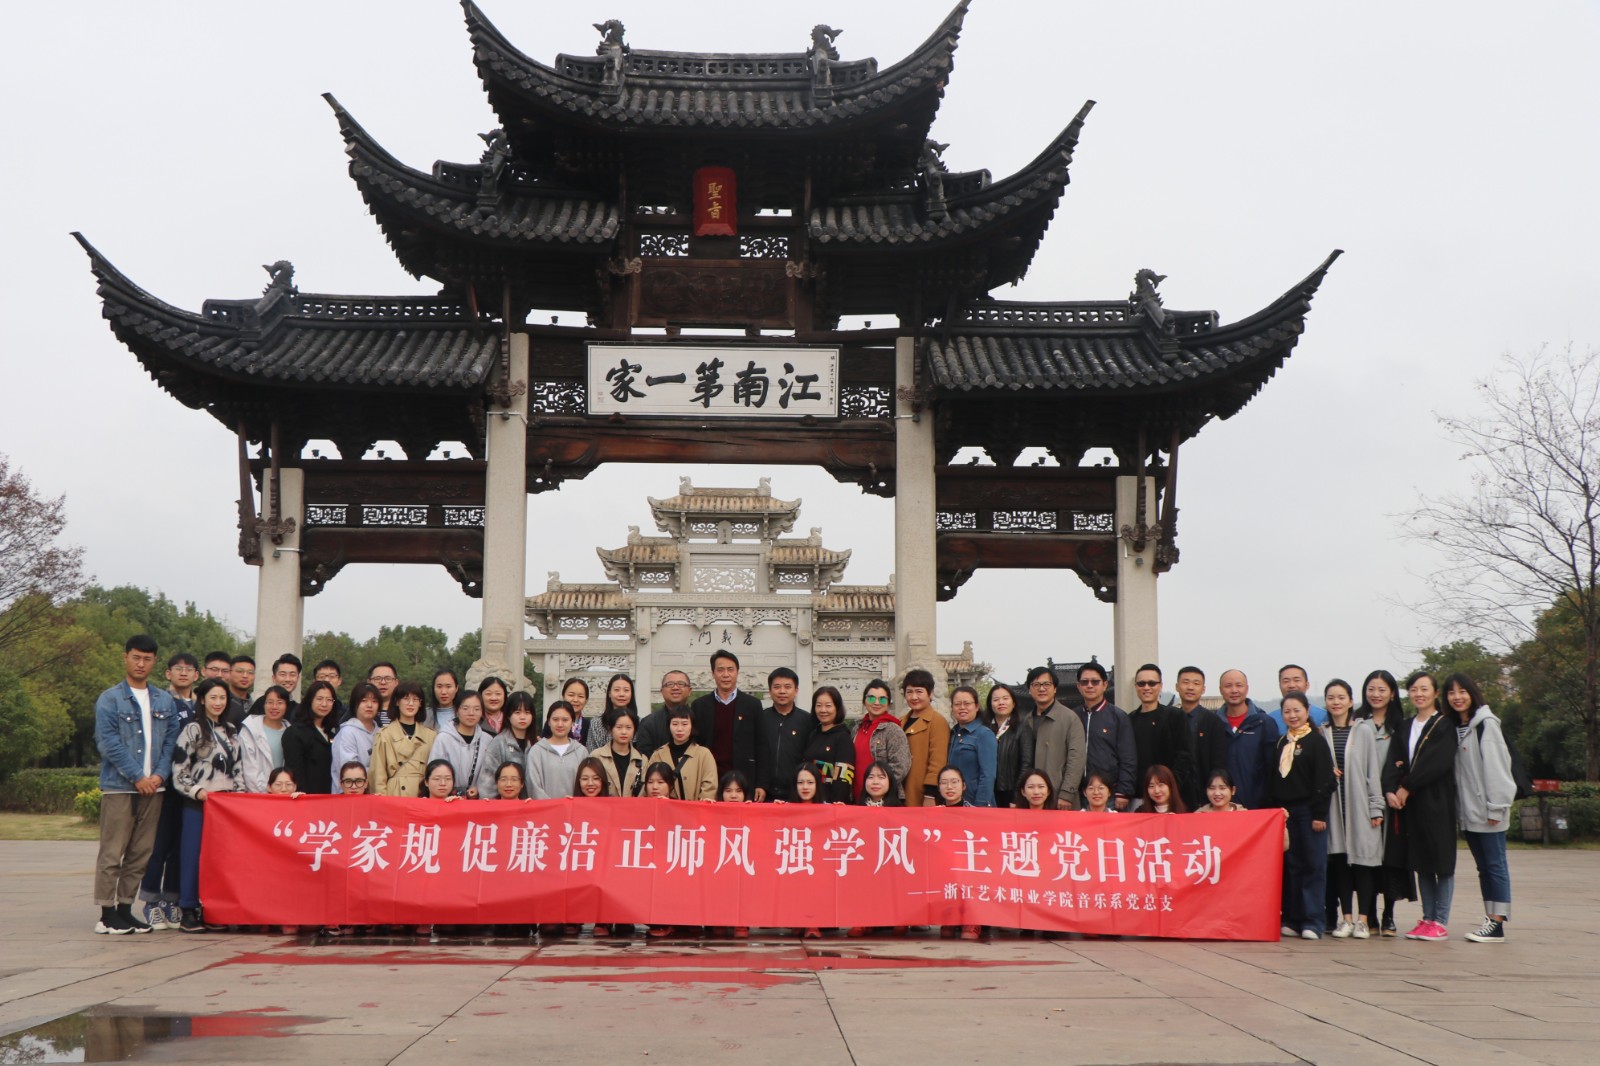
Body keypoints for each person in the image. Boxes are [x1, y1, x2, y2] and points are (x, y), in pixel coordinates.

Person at [1383, 672, 1458, 942]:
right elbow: (1394, 761)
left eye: (1424, 689)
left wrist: (1406, 786)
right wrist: (1390, 789)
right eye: (1414, 689)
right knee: (1422, 862)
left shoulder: (1444, 725)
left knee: (1442, 862)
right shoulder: (1405, 727)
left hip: (1437, 802)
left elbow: (1435, 763)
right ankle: (1427, 918)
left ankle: (1440, 920)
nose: (1419, 694)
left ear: (1435, 693)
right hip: (1412, 806)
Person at [1443, 674, 1516, 944]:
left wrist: (1496, 808)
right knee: (1484, 868)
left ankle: (1497, 923)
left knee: (1495, 866)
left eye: (1463, 691)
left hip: (1489, 811)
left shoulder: (1486, 725)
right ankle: (1491, 919)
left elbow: (1498, 768)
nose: (1457, 697)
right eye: (1452, 693)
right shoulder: (1455, 727)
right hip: (1470, 813)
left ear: (1473, 693)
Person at [169, 677, 239, 934]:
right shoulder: (193, 729)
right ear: (202, 699)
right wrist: (196, 791)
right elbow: (179, 769)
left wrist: (240, 797)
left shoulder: (231, 730)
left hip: (227, 807)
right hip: (199, 804)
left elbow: (238, 768)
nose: (218, 702)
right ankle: (188, 909)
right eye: (213, 697)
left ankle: (213, 909)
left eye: (222, 698)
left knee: (220, 860)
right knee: (192, 856)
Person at [135, 652, 200, 929]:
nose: (183, 673)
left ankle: (171, 899)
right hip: (165, 783)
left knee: (180, 846)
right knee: (158, 844)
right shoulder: (160, 702)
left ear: (197, 674)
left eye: (189, 669)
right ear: (168, 673)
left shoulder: (202, 704)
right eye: (178, 668)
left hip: (192, 786)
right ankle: (151, 899)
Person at [1321, 679, 1384, 939]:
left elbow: (1372, 771)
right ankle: (1346, 919)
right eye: (1331, 697)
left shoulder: (1364, 731)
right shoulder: (1321, 733)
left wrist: (1376, 807)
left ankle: (1363, 920)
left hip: (1360, 807)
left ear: (1350, 701)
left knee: (1363, 863)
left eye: (1341, 697)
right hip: (1334, 810)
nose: (1335, 702)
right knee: (1340, 863)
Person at [1271, 690, 1335, 940]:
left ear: (1307, 712)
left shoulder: (1316, 741)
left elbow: (1325, 780)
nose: (1292, 715)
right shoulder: (1281, 743)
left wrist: (1319, 813)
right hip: (1287, 814)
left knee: (1313, 866)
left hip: (1310, 812)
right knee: (1293, 866)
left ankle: (1313, 921)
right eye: (1287, 711)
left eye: (1297, 710)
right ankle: (1293, 919)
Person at [1359, 668, 1414, 936]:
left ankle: (1388, 915)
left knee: (1390, 858)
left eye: (1382, 690)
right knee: (1366, 858)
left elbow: (1407, 763)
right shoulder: (1358, 723)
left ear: (1392, 694)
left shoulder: (1402, 726)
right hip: (1363, 801)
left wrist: (1397, 788)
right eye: (1371, 689)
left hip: (1393, 804)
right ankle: (1368, 913)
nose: (1376, 694)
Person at [1128, 664, 1199, 809]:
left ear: (1160, 686)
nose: (1146, 687)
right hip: (1138, 797)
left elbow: (1184, 756)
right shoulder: (1129, 720)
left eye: (1152, 683)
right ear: (1136, 687)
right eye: (1141, 683)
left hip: (1171, 797)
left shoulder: (1175, 716)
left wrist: (1170, 788)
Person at [690, 650, 761, 789]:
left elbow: (761, 745)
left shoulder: (752, 705)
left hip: (744, 780)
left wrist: (761, 784)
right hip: (709, 778)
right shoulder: (699, 706)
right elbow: (694, 745)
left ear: (737, 672)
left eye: (730, 669)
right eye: (720, 670)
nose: (726, 674)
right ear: (713, 673)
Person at [1024, 666, 1087, 810]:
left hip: (1059, 795)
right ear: (1029, 689)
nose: (1042, 689)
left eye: (1047, 684)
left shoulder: (1069, 718)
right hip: (1033, 797)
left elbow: (1076, 759)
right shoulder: (1027, 720)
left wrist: (1066, 793)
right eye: (1036, 685)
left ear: (1055, 689)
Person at [1074, 662, 1136, 808]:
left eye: (1095, 682)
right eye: (1085, 682)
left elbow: (1128, 757)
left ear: (1105, 685)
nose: (1090, 686)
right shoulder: (1072, 717)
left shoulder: (1118, 717)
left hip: (1110, 794)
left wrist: (1123, 792)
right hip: (1078, 793)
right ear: (1078, 686)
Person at [1216, 669, 1280, 810]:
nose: (1234, 690)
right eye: (1228, 686)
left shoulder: (1264, 723)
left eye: (1239, 685)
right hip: (1221, 807)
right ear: (1220, 689)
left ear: (1247, 688)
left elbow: (1273, 768)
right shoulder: (1213, 724)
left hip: (1258, 807)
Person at [755, 667, 816, 802]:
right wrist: (760, 784)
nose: (782, 691)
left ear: (796, 691)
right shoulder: (760, 718)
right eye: (777, 687)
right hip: (764, 793)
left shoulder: (807, 721)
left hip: (796, 793)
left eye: (787, 687)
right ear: (770, 691)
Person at [370, 681, 437, 797]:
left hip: (422, 795)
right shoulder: (385, 734)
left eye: (415, 699)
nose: (411, 703)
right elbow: (378, 774)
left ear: (420, 703)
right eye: (406, 699)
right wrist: (383, 801)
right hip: (395, 794)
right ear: (397, 701)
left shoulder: (431, 735)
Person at [853, 680, 910, 802]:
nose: (877, 703)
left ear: (888, 704)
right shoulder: (857, 729)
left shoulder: (893, 730)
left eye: (882, 699)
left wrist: (876, 788)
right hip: (857, 798)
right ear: (864, 701)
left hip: (884, 800)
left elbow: (900, 767)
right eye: (871, 698)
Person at [646, 705, 718, 801]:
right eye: (675, 724)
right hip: (664, 809)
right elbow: (648, 785)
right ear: (668, 726)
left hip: (694, 809)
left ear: (692, 726)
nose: (679, 729)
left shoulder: (704, 754)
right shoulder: (658, 755)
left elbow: (709, 788)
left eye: (684, 724)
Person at [1175, 666, 1231, 787]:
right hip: (1175, 790)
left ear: (1203, 689)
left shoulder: (1213, 722)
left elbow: (1219, 763)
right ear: (1177, 686)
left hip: (1204, 789)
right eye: (1185, 682)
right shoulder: (1171, 720)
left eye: (1196, 683)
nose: (1190, 687)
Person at [900, 669, 950, 807]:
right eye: (909, 692)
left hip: (921, 794)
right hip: (899, 792)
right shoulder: (900, 722)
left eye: (919, 691)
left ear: (930, 693)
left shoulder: (937, 721)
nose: (914, 697)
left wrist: (930, 794)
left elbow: (937, 762)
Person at [281, 680, 338, 796]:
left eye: (329, 700)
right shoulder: (295, 732)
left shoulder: (332, 734)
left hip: (330, 798)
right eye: (319, 699)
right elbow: (295, 771)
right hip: (306, 799)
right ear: (309, 700)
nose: (324, 704)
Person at [801, 685, 856, 804]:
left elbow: (844, 778)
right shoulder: (813, 734)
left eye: (828, 705)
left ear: (837, 708)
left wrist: (835, 804)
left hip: (832, 804)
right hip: (811, 802)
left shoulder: (843, 737)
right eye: (818, 705)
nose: (823, 710)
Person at [477, 691, 537, 798]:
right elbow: (488, 783)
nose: (523, 717)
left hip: (531, 805)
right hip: (504, 804)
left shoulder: (536, 744)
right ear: (508, 715)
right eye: (517, 712)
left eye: (527, 712)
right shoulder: (498, 743)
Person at [984, 683, 1033, 810]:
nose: (1001, 702)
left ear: (1013, 702)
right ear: (990, 704)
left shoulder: (1022, 728)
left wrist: (1017, 796)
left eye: (1005, 698)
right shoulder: (984, 728)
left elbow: (1026, 763)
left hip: (1010, 791)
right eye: (996, 699)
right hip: (988, 790)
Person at [432, 691, 489, 799]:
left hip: (478, 800)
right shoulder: (443, 738)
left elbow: (490, 773)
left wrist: (480, 788)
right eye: (465, 708)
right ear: (456, 710)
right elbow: (434, 771)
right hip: (448, 799)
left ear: (482, 712)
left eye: (477, 709)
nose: (471, 713)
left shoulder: (487, 740)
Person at [526, 701, 587, 800]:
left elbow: (586, 785)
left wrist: (573, 804)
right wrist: (553, 806)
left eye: (565, 720)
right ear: (549, 722)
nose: (560, 724)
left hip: (574, 808)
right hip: (545, 808)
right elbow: (533, 785)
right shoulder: (537, 751)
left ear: (572, 722)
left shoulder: (581, 752)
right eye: (555, 719)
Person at [947, 686, 997, 807]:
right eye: (957, 704)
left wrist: (980, 805)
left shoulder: (984, 734)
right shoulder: (952, 733)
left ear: (977, 706)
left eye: (967, 703)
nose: (962, 707)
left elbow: (988, 775)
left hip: (976, 803)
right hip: (954, 801)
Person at [239, 685, 292, 793]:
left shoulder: (291, 732)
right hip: (258, 795)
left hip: (284, 794)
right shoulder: (250, 730)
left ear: (286, 706)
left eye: (280, 703)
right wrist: (267, 793)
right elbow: (249, 769)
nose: (274, 707)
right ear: (264, 704)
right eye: (270, 702)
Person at [330, 682, 382, 792]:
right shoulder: (347, 732)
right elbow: (349, 771)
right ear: (355, 704)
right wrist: (379, 773)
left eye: (374, 701)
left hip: (375, 794)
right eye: (364, 701)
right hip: (348, 794)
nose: (369, 705)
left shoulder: (381, 733)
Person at [635, 670, 696, 758]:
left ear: (690, 691)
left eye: (681, 684)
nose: (675, 687)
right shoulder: (648, 723)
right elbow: (644, 757)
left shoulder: (699, 718)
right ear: (662, 691)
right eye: (670, 684)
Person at [595, 706, 646, 798]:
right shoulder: (597, 756)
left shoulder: (642, 759)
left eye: (628, 727)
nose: (624, 732)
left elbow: (645, 791)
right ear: (610, 729)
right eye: (619, 727)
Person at [249, 654, 302, 718]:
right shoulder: (261, 703)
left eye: (292, 675)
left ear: (298, 678)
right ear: (274, 678)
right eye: (283, 674)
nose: (287, 679)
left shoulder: (300, 710)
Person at [224, 654, 255, 728]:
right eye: (240, 671)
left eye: (250, 672)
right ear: (229, 673)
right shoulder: (222, 701)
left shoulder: (256, 706)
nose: (245, 676)